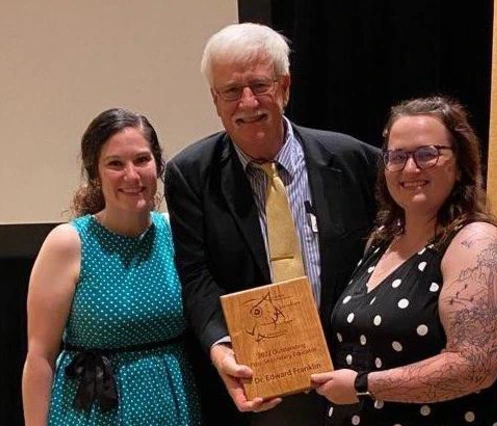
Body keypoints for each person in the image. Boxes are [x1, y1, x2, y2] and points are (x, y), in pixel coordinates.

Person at [164, 23, 379, 426]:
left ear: (285, 87)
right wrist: (219, 346)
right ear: (215, 100)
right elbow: (196, 275)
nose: (247, 102)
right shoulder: (190, 175)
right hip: (264, 381)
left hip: (357, 368)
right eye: (231, 91)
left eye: (259, 85)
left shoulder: (354, 160)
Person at [310, 96, 497, 425]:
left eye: (427, 154)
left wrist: (362, 386)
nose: (410, 168)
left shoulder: (477, 243)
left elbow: (473, 367)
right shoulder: (383, 240)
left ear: (459, 164)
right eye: (396, 157)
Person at [22, 108, 202, 425]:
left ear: (158, 165)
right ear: (96, 173)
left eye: (142, 160)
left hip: (170, 409)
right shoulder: (68, 244)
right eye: (115, 164)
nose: (131, 176)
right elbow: (40, 358)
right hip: (92, 412)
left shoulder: (175, 234)